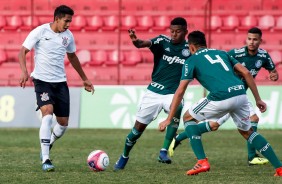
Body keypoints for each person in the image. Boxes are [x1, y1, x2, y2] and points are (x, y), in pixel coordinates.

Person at [159, 30, 282, 176]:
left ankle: (202, 161)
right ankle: (279, 168)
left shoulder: (191, 60)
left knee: (188, 118)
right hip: (240, 94)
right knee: (247, 132)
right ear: (204, 43)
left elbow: (180, 90)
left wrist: (168, 118)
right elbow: (246, 73)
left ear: (191, 47)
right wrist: (258, 99)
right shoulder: (222, 53)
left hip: (220, 96)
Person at [18, 5, 94, 172]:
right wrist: (24, 72)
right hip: (41, 81)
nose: (68, 24)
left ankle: (50, 142)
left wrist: (85, 79)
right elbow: (23, 51)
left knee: (63, 124)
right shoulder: (40, 31)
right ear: (57, 18)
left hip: (60, 83)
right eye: (66, 21)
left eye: (70, 21)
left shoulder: (68, 36)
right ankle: (46, 159)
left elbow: (72, 56)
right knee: (47, 115)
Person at [114, 17, 190, 171]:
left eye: (178, 31)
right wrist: (136, 41)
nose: (174, 34)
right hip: (153, 92)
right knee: (136, 132)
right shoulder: (162, 41)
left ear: (185, 32)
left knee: (178, 106)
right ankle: (124, 156)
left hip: (172, 94)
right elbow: (142, 44)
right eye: (172, 31)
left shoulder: (190, 49)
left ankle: (164, 151)